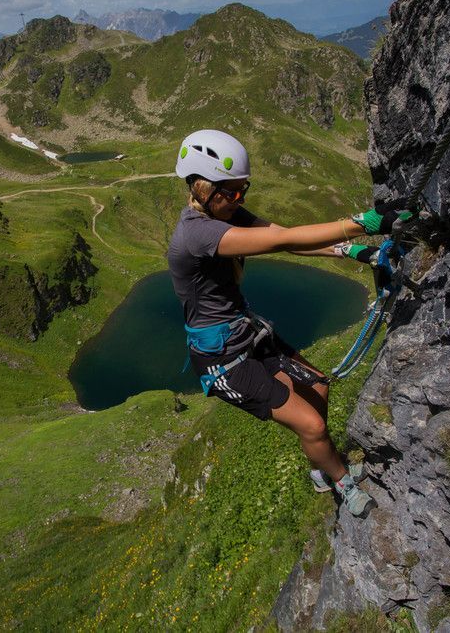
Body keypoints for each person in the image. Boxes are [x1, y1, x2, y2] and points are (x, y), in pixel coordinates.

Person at [166, 129, 409, 517]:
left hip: (247, 334)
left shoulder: (224, 212)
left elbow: (284, 237)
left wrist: (353, 251)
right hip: (222, 360)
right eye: (232, 191)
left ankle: (320, 465)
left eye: (243, 189)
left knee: (318, 385)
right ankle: (341, 481)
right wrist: (365, 223)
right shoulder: (199, 234)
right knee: (312, 425)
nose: (240, 199)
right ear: (203, 188)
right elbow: (283, 242)